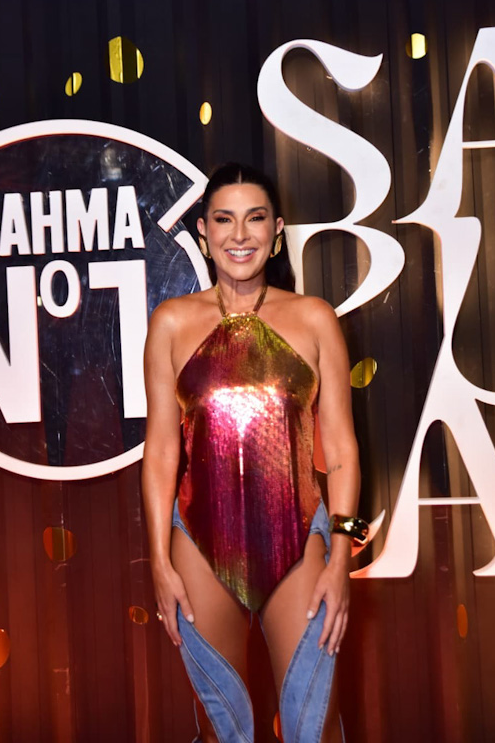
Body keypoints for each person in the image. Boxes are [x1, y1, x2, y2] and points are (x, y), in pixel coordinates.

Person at [142, 163, 366, 743]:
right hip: (197, 542)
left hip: (299, 538)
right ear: (203, 231)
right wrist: (159, 562)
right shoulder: (171, 323)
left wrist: (341, 559)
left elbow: (342, 451)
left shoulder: (314, 318)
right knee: (225, 731)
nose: (239, 235)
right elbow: (161, 451)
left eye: (255, 219)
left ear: (277, 230)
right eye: (224, 219)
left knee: (312, 726)